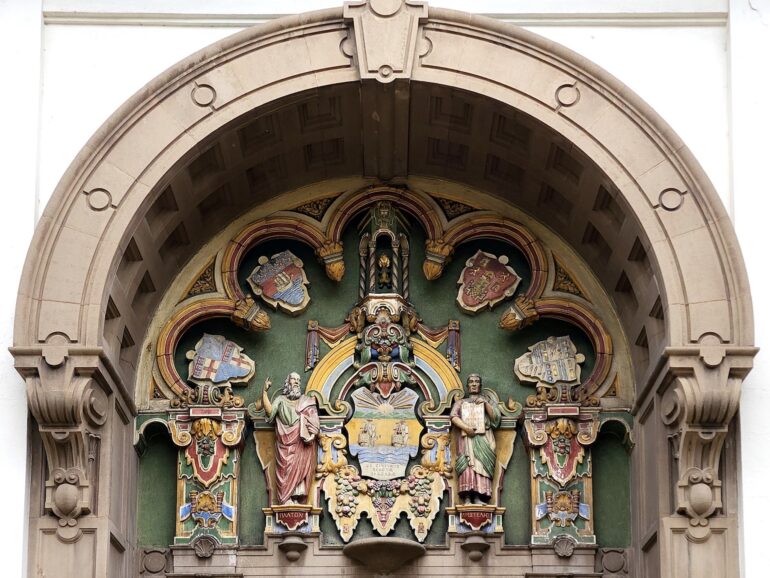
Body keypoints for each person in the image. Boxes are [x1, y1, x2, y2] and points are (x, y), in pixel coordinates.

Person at [262, 372, 320, 504]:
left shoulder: (306, 401)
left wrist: (312, 435)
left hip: (301, 442)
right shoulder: (280, 400)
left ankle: (296, 497)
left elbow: (313, 420)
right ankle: (285, 498)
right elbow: (270, 412)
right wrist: (264, 392)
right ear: (287, 382)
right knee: (285, 469)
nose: (297, 382)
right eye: (294, 379)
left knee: (299, 468)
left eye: (298, 380)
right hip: (284, 442)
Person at [450, 373, 501, 505]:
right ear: (467, 386)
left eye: (476, 381)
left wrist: (485, 404)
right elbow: (453, 416)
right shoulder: (461, 402)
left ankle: (479, 497)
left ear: (480, 385)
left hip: (484, 437)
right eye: (471, 381)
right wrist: (466, 428)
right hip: (467, 438)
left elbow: (496, 419)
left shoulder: (487, 402)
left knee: (481, 463)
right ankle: (467, 497)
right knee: (468, 465)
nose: (473, 384)